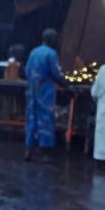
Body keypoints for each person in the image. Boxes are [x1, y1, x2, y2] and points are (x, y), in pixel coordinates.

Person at [24, 28, 65, 161]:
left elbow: (26, 71)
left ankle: (28, 149)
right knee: (45, 120)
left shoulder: (33, 52)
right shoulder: (51, 54)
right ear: (51, 40)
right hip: (45, 93)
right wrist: (68, 87)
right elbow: (56, 74)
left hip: (32, 91)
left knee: (32, 119)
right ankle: (45, 153)